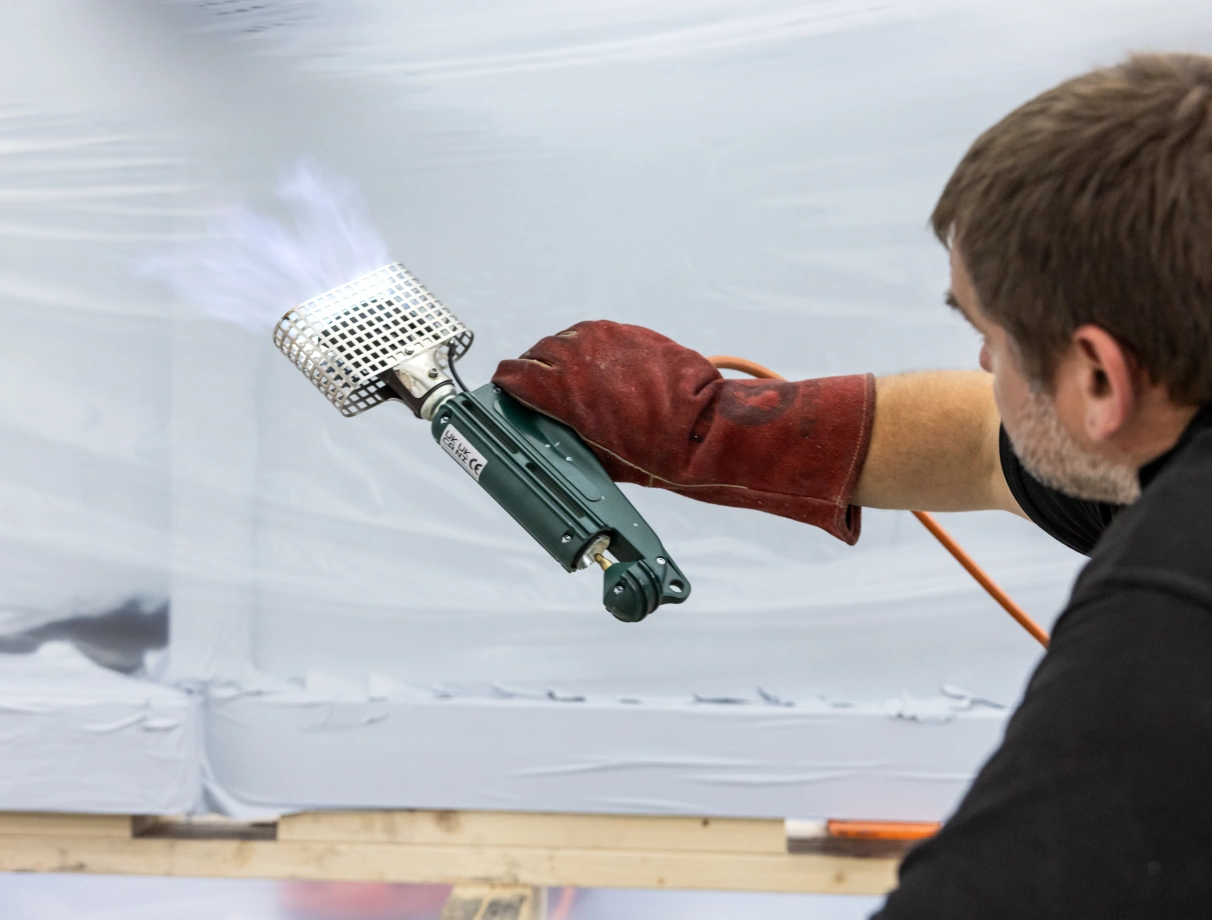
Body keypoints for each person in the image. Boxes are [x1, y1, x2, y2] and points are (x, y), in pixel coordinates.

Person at [492, 53, 1212, 917]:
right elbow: (991, 445)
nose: (983, 367)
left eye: (993, 339)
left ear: (1099, 378)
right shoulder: (1160, 435)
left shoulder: (1173, 607)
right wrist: (717, 430)